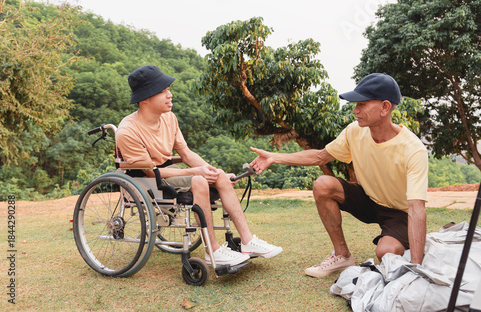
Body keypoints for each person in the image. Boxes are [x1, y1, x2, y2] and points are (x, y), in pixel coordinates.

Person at [250, 73, 428, 278]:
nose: (355, 110)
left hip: (398, 212)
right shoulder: (355, 131)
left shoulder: (413, 150)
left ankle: (405, 243)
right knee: (323, 184)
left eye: (361, 104)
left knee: (385, 252)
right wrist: (274, 157)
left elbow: (416, 208)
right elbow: (319, 156)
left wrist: (416, 267)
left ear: (385, 107)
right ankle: (342, 254)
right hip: (369, 199)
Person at [115, 65, 282, 266]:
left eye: (168, 89)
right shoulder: (127, 131)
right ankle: (212, 249)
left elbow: (185, 153)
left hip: (170, 171)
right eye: (162, 91)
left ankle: (247, 241)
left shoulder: (169, 118)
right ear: (145, 99)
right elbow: (150, 171)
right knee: (199, 180)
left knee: (218, 175)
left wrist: (214, 170)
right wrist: (198, 172)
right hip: (144, 179)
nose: (170, 95)